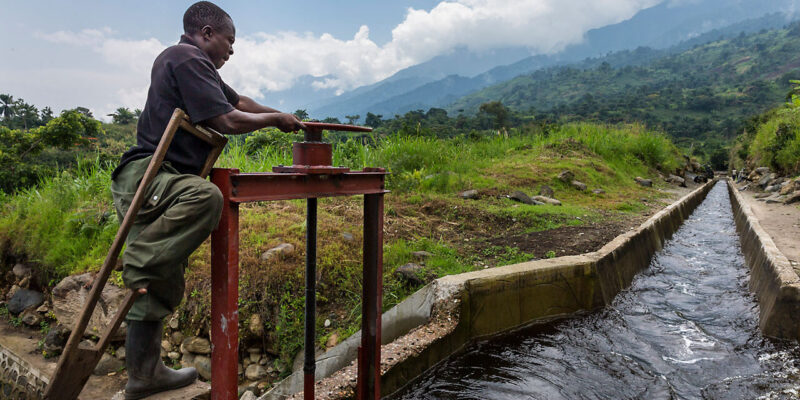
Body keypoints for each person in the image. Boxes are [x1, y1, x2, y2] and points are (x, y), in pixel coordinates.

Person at [110, 2, 305, 398]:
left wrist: (284, 115)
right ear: (205, 32)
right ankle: (135, 259)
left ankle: (144, 376)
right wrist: (275, 120)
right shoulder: (185, 57)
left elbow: (241, 104)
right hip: (149, 175)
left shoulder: (201, 69)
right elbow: (229, 121)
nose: (232, 51)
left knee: (160, 280)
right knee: (205, 198)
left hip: (164, 180)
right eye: (229, 42)